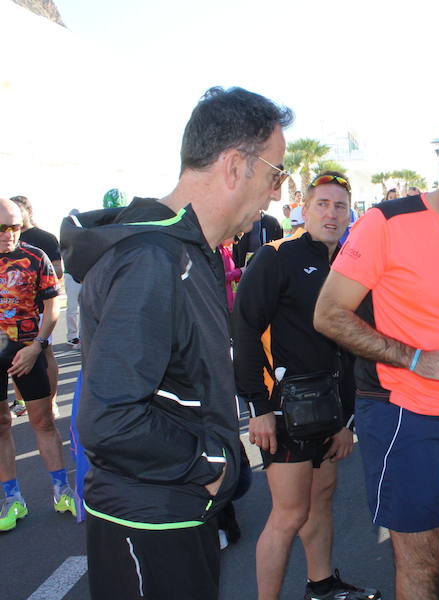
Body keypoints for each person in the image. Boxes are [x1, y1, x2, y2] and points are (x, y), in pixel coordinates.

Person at [60, 86, 294, 598]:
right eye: (276, 173)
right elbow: (108, 420)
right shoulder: (153, 258)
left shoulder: (190, 249)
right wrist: (211, 465)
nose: (277, 193)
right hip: (150, 518)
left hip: (174, 508)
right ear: (235, 166)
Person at [313, 109, 439, 600]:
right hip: (397, 408)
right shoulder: (387, 222)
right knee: (421, 555)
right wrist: (417, 358)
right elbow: (328, 314)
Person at [233, 171, 380, 600]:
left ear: (350, 212)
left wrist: (346, 418)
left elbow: (352, 346)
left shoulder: (350, 265)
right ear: (304, 208)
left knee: (321, 501)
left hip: (330, 410)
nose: (331, 213)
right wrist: (257, 406)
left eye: (339, 205)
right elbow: (243, 331)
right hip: (283, 411)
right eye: (323, 204)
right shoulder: (275, 256)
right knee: (289, 513)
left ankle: (322, 586)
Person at [0, 198, 72, 531]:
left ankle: (62, 491)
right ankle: (13, 500)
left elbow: (53, 304)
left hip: (27, 348)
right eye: (2, 228)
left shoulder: (34, 256)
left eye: (15, 226)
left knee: (42, 421)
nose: (10, 234)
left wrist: (38, 346)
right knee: (1, 425)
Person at [8, 195, 62, 418]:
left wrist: (35, 279)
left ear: (28, 211)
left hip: (40, 309)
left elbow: (58, 271)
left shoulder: (45, 239)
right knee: (14, 357)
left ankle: (51, 401)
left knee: (45, 353)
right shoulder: (5, 238)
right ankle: (20, 401)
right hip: (12, 315)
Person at [62, 209, 82, 349]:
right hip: (70, 274)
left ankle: (81, 336)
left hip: (83, 273)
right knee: (72, 307)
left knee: (85, 307)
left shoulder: (84, 234)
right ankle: (72, 336)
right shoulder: (66, 236)